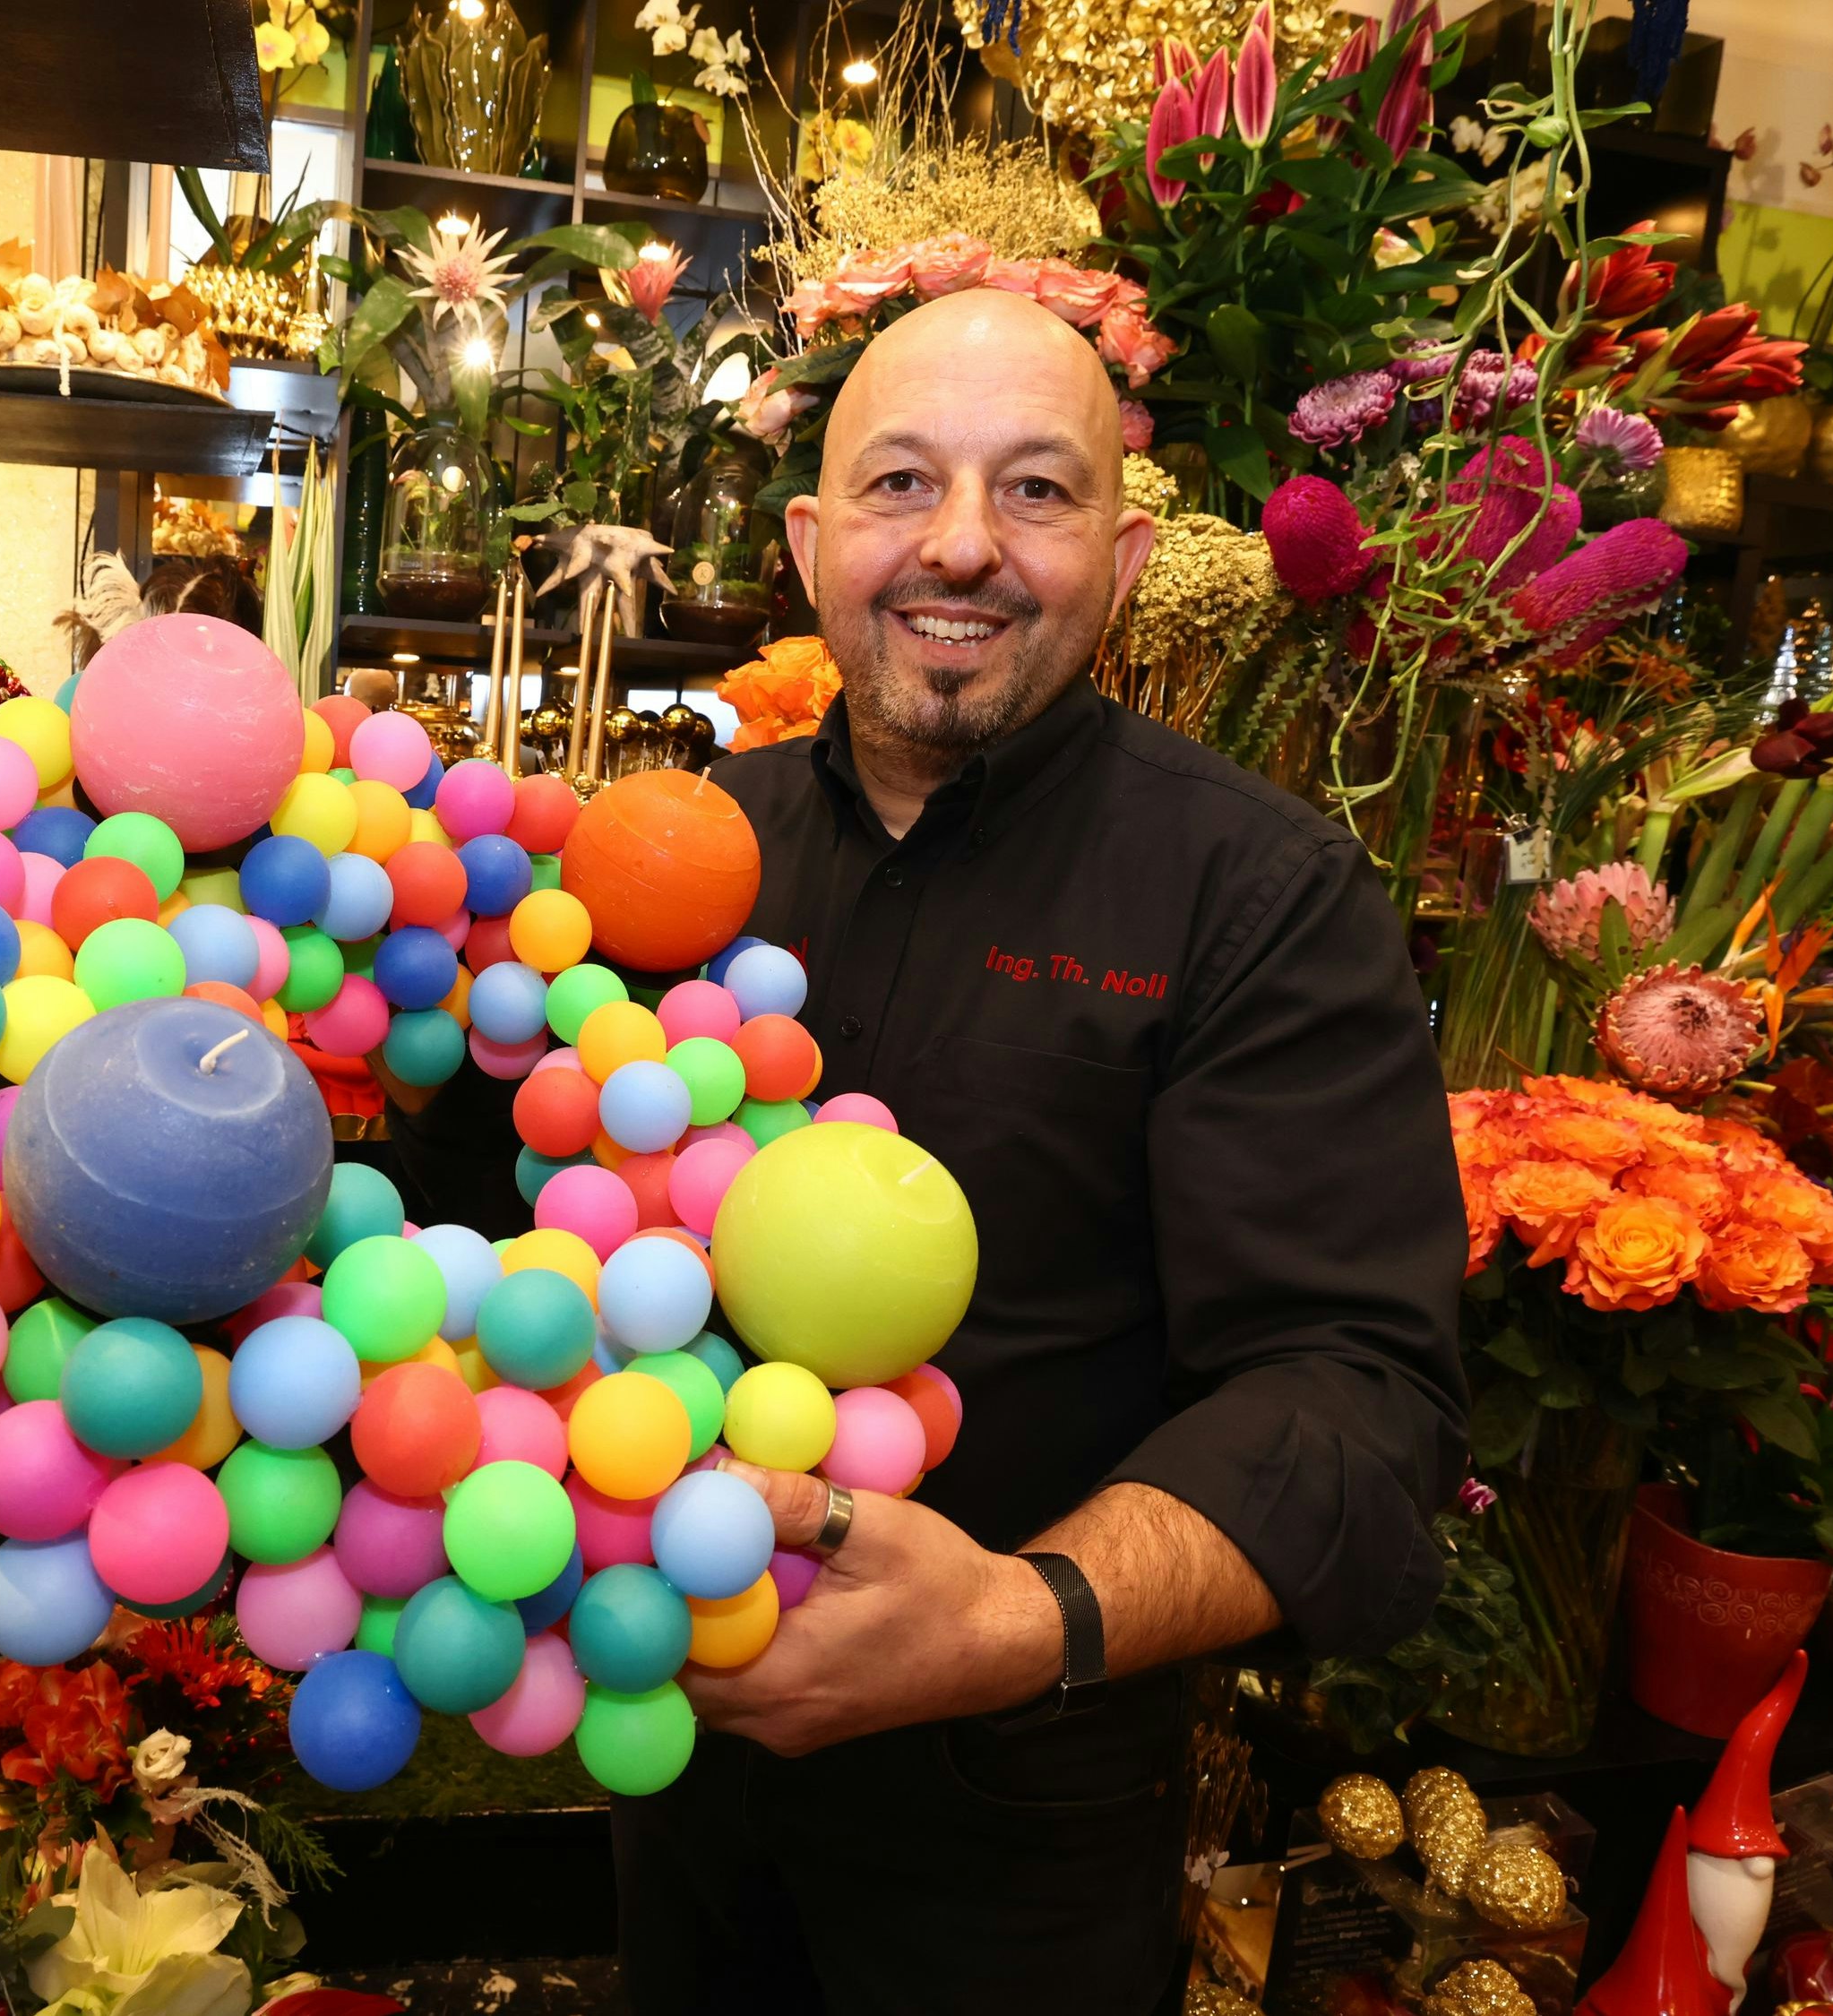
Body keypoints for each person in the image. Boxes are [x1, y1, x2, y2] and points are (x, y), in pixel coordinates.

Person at [612, 289, 1468, 2012]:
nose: (961, 546)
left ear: (1129, 557)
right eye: (901, 483)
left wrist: (1019, 1617)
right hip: (663, 1759)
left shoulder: (1262, 896)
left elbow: (1357, 1392)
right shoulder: (677, 860)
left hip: (1027, 1796)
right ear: (807, 540)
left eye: (1038, 492)